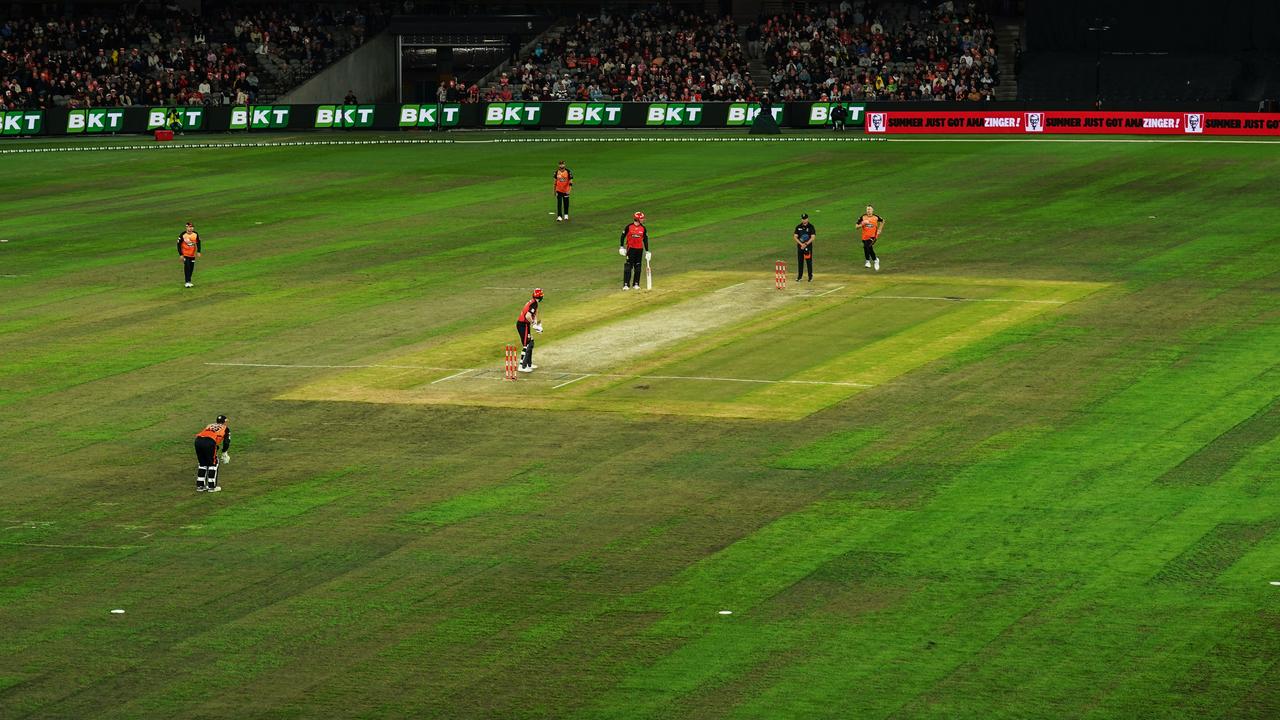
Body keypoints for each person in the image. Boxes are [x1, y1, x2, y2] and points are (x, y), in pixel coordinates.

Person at [194, 414, 231, 492]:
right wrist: (224, 452)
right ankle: (212, 487)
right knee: (213, 463)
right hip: (209, 442)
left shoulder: (209, 425)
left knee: (202, 463)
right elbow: (227, 442)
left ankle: (200, 486)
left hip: (198, 441)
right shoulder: (225, 428)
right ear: (224, 422)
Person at [619, 211, 650, 290]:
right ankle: (626, 284)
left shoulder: (643, 228)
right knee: (628, 267)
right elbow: (622, 236)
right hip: (631, 249)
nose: (643, 220)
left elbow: (645, 240)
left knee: (638, 267)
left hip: (639, 250)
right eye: (641, 218)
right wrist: (621, 247)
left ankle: (636, 284)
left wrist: (647, 251)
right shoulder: (629, 227)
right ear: (637, 219)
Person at [515, 288, 544, 373]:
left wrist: (536, 324)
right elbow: (528, 316)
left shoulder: (533, 302)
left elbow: (533, 315)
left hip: (524, 324)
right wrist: (534, 325)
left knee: (531, 342)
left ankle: (529, 364)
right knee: (527, 345)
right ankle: (522, 366)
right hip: (523, 325)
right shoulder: (534, 304)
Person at [856, 205, 884, 271]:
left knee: (866, 246)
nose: (868, 211)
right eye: (867, 209)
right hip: (864, 237)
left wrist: (880, 229)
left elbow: (882, 221)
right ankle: (875, 260)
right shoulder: (863, 217)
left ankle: (867, 261)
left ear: (872, 210)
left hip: (873, 236)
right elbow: (856, 227)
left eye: (870, 209)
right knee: (869, 248)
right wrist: (862, 224)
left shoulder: (876, 217)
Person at [176, 221, 200, 287]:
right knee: (187, 267)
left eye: (192, 227)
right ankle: (187, 282)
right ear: (186, 227)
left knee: (191, 268)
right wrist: (181, 254)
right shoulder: (183, 235)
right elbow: (178, 244)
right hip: (185, 254)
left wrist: (198, 251)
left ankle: (189, 281)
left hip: (192, 254)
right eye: (189, 227)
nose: (191, 228)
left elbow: (198, 242)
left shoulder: (195, 234)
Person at [794, 213, 816, 281]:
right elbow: (795, 237)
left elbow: (813, 237)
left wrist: (805, 244)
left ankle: (810, 276)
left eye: (805, 219)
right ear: (801, 219)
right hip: (800, 247)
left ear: (807, 219)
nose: (804, 220)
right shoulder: (798, 227)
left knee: (808, 262)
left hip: (808, 248)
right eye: (803, 219)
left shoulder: (811, 226)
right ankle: (799, 277)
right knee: (800, 262)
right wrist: (801, 244)